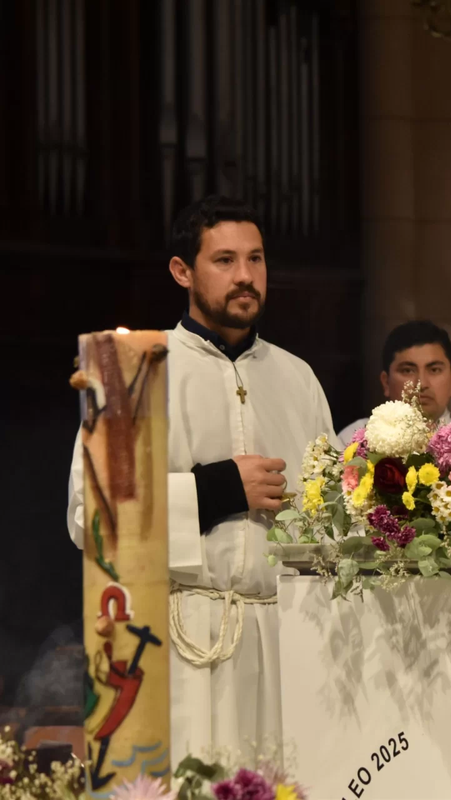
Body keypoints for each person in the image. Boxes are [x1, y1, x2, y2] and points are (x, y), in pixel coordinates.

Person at [67, 195, 338, 765]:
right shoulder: (131, 376)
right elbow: (90, 519)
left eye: (256, 259)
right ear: (182, 271)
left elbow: (331, 520)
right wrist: (218, 489)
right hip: (174, 639)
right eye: (225, 260)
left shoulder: (298, 378)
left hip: (283, 640)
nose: (245, 276)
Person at [338, 320, 451, 442]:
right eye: (407, 370)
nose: (421, 384)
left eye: (434, 370)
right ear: (386, 382)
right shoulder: (354, 439)